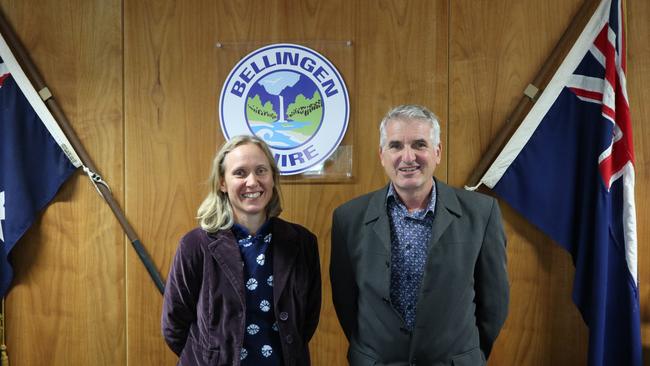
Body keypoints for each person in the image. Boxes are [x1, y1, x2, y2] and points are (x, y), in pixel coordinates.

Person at [330, 104, 509, 365]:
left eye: (419, 144)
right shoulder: (348, 218)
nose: (408, 156)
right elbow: (346, 302)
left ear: (437, 152)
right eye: (395, 146)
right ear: (382, 155)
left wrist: (470, 355)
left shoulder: (482, 214)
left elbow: (494, 303)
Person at [162, 135, 321, 366]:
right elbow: (173, 324)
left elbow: (307, 321)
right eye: (240, 173)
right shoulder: (195, 245)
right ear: (222, 183)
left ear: (273, 178)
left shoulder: (302, 243)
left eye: (261, 171)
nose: (252, 181)